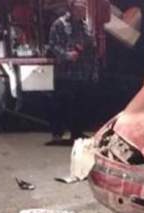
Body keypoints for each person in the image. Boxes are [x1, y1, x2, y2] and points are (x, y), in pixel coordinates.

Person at [47, 0, 97, 145]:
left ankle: (76, 133)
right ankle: (57, 134)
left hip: (81, 73)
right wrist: (66, 55)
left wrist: (93, 72)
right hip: (64, 73)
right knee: (61, 104)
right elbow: (53, 45)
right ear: (72, 8)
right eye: (79, 8)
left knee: (79, 105)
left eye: (84, 9)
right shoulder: (59, 24)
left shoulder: (85, 26)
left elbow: (91, 49)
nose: (82, 11)